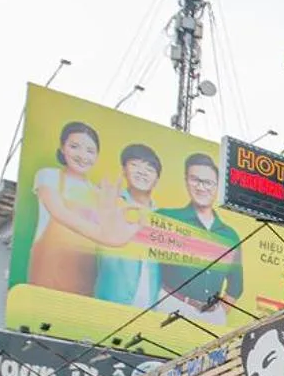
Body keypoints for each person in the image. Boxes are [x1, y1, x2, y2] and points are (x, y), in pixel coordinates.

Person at [153, 153, 244, 320]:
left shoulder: (230, 235)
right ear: (186, 180)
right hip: (172, 306)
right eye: (195, 180)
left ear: (217, 187)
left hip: (212, 315)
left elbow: (236, 286)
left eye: (208, 182)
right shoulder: (166, 218)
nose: (201, 188)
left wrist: (218, 314)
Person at [27, 120, 105, 294]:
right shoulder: (48, 176)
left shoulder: (96, 192)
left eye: (90, 151)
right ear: (63, 148)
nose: (82, 155)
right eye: (75, 147)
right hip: (48, 268)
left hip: (84, 273)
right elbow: (59, 212)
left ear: (96, 156)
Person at [91, 145, 163, 307]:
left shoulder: (162, 217)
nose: (142, 172)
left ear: (157, 179)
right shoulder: (110, 201)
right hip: (110, 300)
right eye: (135, 165)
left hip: (150, 307)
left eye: (149, 169)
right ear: (124, 170)